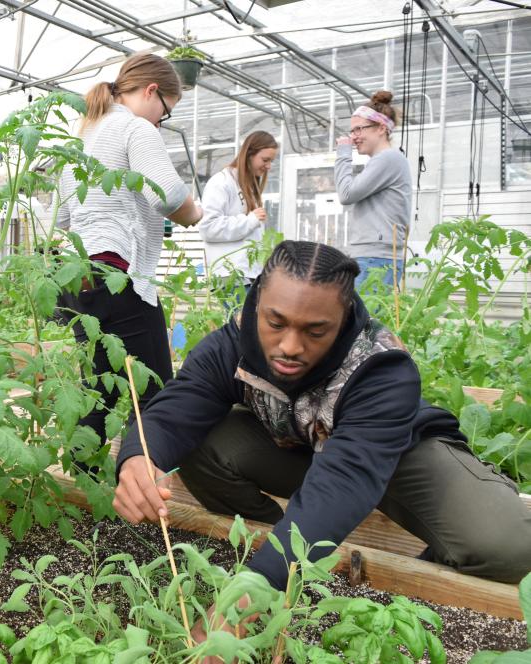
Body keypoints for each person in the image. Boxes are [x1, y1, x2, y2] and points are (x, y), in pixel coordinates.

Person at [113, 240, 531, 635]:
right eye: (276, 323)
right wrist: (138, 458)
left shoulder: (380, 367)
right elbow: (179, 406)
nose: (290, 346)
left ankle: (295, 561)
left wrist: (243, 601)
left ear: (344, 316)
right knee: (198, 440)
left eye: (315, 331)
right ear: (259, 301)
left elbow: (345, 479)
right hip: (298, 452)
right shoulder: (233, 342)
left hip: (394, 459)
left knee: (507, 546)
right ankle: (281, 551)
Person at [54, 52, 204, 468]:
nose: (161, 120)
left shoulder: (81, 132)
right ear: (152, 91)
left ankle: (81, 474)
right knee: (157, 390)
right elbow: (169, 195)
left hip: (77, 278)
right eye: (166, 111)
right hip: (118, 276)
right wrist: (195, 214)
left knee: (102, 388)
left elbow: (63, 216)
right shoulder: (134, 127)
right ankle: (154, 482)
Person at [334, 90, 411, 289]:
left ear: (381, 128)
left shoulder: (388, 159)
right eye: (352, 131)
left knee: (363, 319)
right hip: (373, 256)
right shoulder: (382, 161)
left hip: (376, 258)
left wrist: (343, 153)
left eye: (359, 129)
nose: (354, 137)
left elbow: (346, 194)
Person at [197, 131, 278, 292]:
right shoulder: (222, 182)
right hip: (230, 275)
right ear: (249, 154)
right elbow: (208, 228)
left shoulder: (248, 185)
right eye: (265, 160)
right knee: (239, 318)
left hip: (247, 275)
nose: (268, 166)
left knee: (245, 318)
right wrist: (250, 220)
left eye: (271, 161)